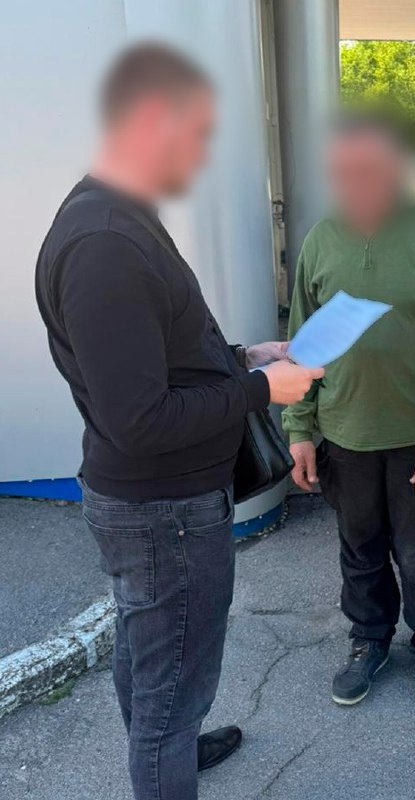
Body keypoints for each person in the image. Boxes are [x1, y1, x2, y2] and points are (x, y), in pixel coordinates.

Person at [35, 44, 322, 800]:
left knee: (149, 652)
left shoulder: (117, 219)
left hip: (154, 503)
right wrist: (260, 390)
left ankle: (174, 750)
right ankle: (169, 756)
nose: (199, 158)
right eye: (195, 137)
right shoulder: (105, 244)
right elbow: (141, 418)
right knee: (170, 692)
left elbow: (158, 359)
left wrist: (242, 357)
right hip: (164, 510)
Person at [282, 118, 415, 706]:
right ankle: (369, 640)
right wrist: (300, 429)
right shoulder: (321, 238)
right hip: (345, 435)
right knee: (360, 554)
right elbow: (304, 344)